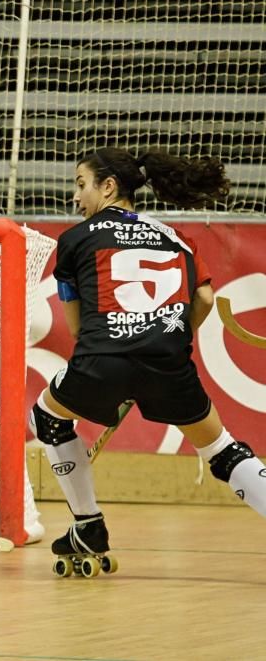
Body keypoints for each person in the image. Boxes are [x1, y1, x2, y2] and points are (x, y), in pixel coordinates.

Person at [31, 147, 266, 563]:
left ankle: (87, 525)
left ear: (108, 186)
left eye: (81, 184)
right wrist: (164, 340)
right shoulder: (177, 238)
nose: (75, 196)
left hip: (101, 358)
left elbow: (79, 329)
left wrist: (115, 371)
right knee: (222, 450)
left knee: (48, 417)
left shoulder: (74, 240)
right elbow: (206, 299)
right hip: (168, 361)